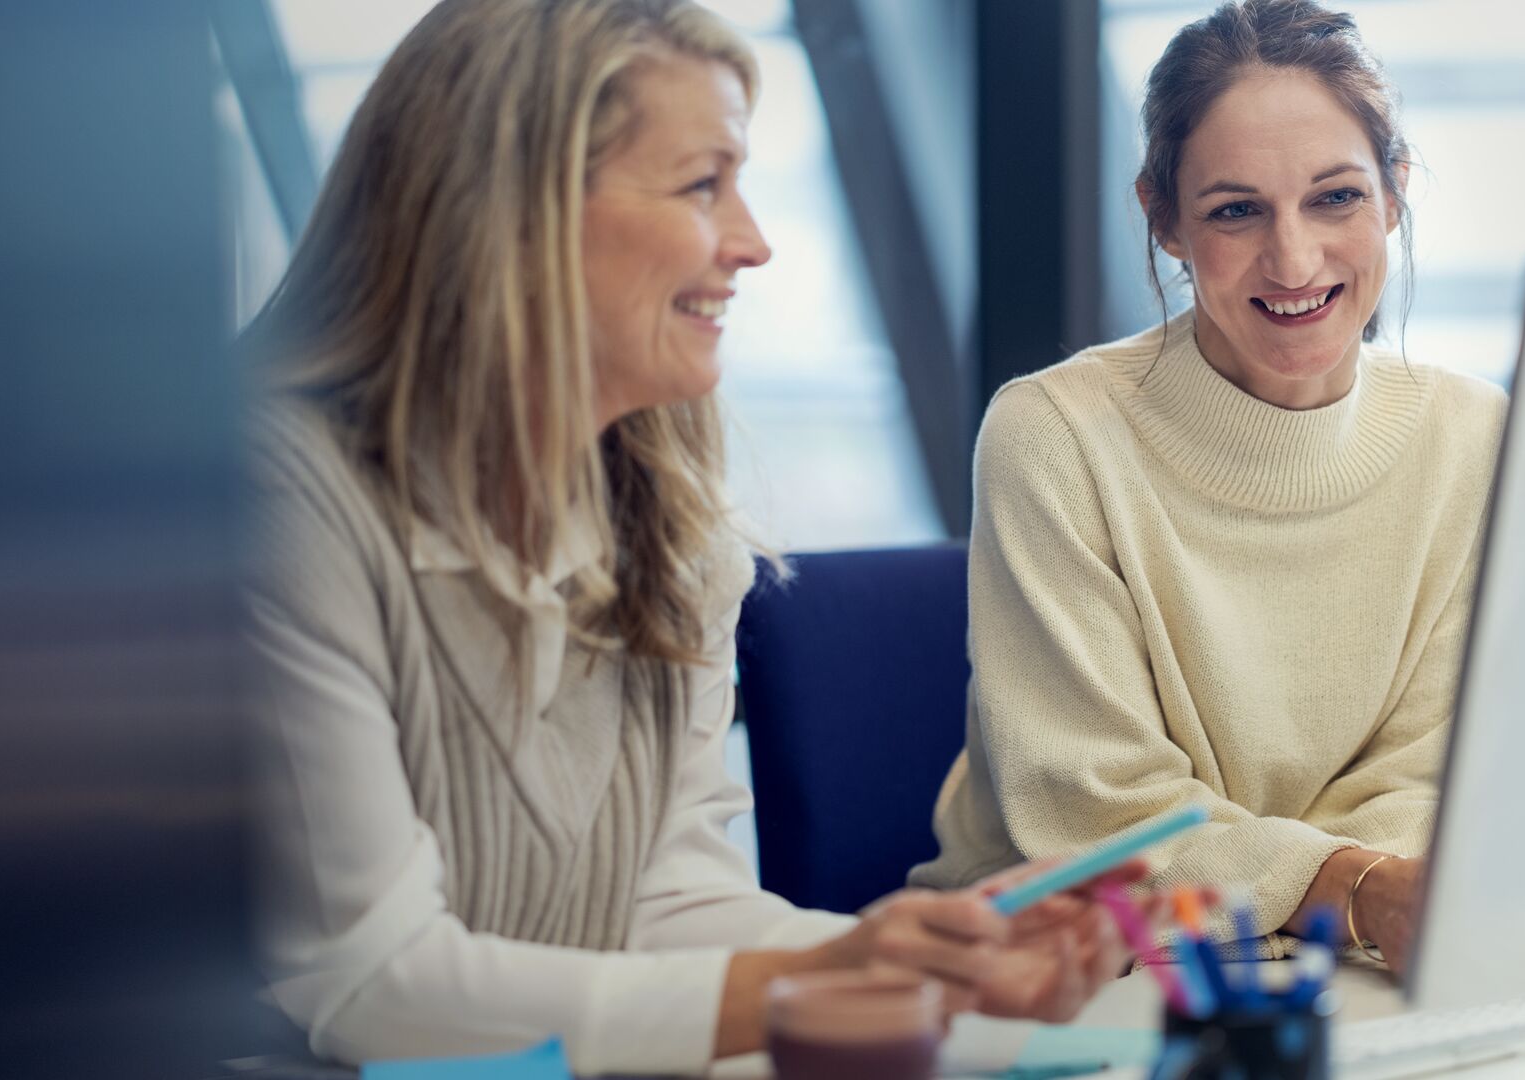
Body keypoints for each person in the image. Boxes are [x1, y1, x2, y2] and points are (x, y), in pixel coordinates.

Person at [241, 1, 1140, 1074]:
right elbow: (373, 982)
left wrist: (921, 969)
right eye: (701, 183)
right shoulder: (276, 504)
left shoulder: (667, 517)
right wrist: (835, 975)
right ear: (518, 213)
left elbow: (664, 897)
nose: (752, 242)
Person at [912, 0, 1506, 978]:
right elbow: (1095, 820)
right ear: (1164, 220)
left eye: (1336, 198)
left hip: (1351, 960)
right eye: (1236, 210)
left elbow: (1442, 775)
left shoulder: (1472, 436)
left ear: (1395, 193)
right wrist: (1348, 885)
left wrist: (1317, 888)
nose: (1295, 259)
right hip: (1074, 969)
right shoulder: (1054, 438)